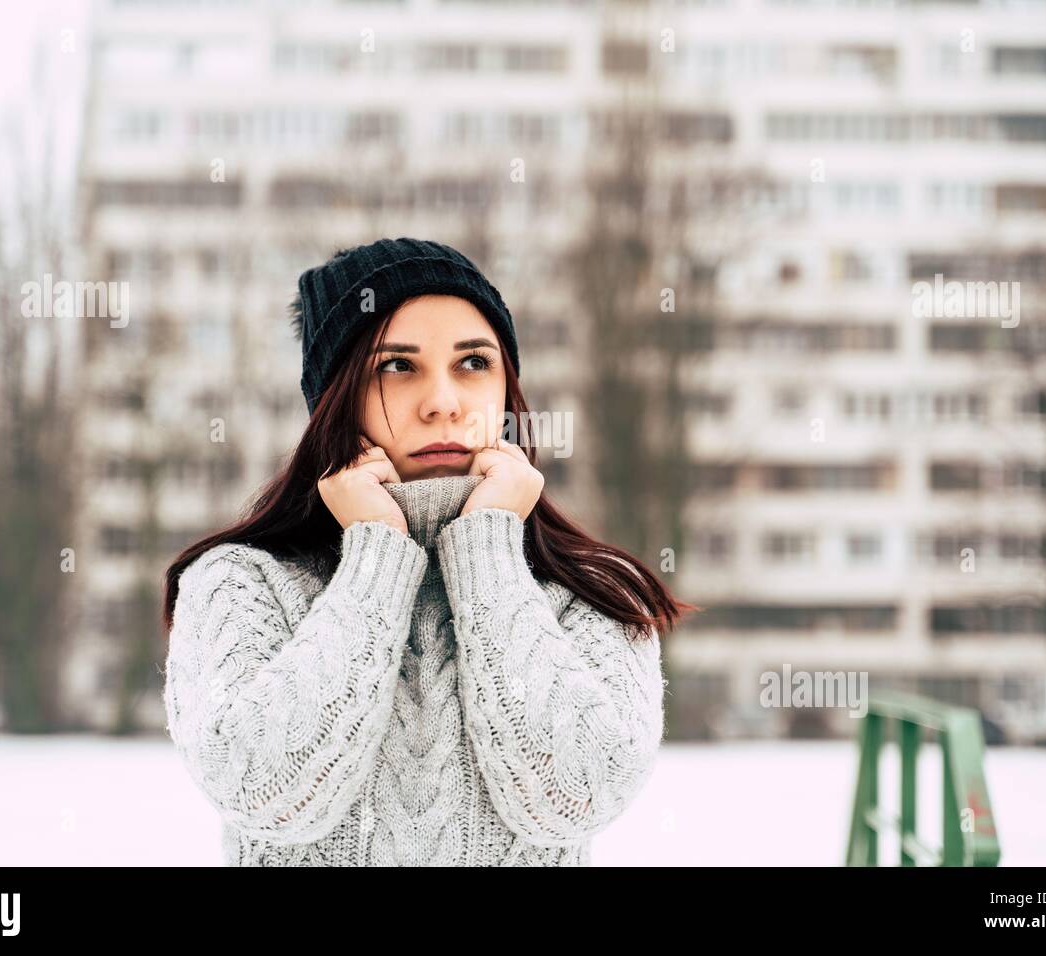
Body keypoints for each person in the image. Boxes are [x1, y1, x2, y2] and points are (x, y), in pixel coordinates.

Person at [161, 237, 698, 866]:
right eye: (397, 366)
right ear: (334, 396)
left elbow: (578, 796)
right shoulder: (240, 582)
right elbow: (263, 790)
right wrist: (375, 559)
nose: (444, 401)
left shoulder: (593, 590)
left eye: (474, 363)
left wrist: (489, 555)